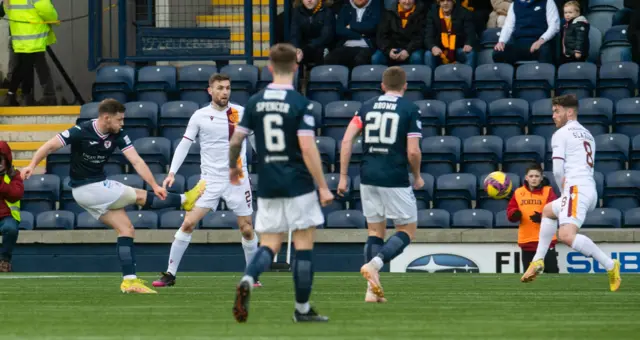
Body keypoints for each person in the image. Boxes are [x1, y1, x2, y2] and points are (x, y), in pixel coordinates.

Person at [20, 99, 206, 294]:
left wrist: (154, 184)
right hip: (87, 188)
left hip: (93, 191)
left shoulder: (118, 134)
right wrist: (32, 165)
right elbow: (49, 146)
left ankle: (129, 281)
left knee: (126, 229)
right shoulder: (81, 130)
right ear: (106, 118)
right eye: (119, 120)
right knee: (140, 196)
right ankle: (185, 200)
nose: (122, 124)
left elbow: (136, 160)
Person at [230, 43, 334, 323]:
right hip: (298, 182)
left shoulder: (254, 102)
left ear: (270, 68)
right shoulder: (301, 104)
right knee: (303, 243)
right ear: (296, 68)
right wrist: (323, 186)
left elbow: (237, 139)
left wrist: (232, 168)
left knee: (270, 243)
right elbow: (308, 147)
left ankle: (249, 279)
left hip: (268, 183)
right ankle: (302, 310)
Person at [152, 74, 261, 288]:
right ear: (210, 90)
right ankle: (170, 274)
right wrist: (172, 172)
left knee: (247, 229)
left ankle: (252, 276)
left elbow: (257, 141)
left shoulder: (241, 113)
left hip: (237, 179)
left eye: (228, 88)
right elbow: (184, 144)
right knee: (188, 222)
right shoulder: (200, 116)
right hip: (209, 180)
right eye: (220, 88)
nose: (225, 92)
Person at [337, 66, 423, 302]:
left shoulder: (366, 107)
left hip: (367, 175)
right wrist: (416, 176)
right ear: (405, 86)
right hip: (394, 175)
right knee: (407, 230)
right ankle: (374, 265)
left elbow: (346, 140)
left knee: (375, 231)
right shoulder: (409, 109)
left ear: (383, 86)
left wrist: (343, 176)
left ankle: (371, 291)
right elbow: (413, 151)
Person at [520, 94, 621, 292]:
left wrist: (564, 192)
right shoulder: (588, 134)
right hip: (588, 188)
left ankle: (610, 265)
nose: (553, 116)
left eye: (557, 111)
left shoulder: (561, 134)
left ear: (569, 112)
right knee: (548, 211)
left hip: (575, 189)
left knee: (566, 235)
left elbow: (558, 170)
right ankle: (538, 260)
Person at [2, 0, 58, 106]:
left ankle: (23, 97)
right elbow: (49, 12)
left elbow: (4, 11)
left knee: (25, 67)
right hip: (34, 38)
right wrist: (54, 18)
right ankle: (13, 96)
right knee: (31, 67)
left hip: (20, 39)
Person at [507, 164, 559, 273]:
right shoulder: (518, 192)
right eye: (531, 176)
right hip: (527, 240)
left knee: (552, 274)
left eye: (536, 176)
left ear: (541, 178)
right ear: (526, 177)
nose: (534, 179)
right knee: (529, 276)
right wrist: (514, 214)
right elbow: (510, 211)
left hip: (546, 240)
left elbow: (555, 210)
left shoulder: (548, 191)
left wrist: (542, 217)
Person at [492, 0, 560, 65]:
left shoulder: (548, 2)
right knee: (498, 53)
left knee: (545, 51)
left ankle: (543, 76)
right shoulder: (514, 4)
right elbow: (508, 26)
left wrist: (541, 41)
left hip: (539, 42)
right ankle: (508, 76)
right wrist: (501, 41)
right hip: (518, 43)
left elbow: (554, 26)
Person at [424, 0, 477, 70]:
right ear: (439, 2)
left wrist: (468, 43)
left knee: (470, 54)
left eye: (448, 0)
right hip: (440, 51)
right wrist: (433, 47)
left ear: (453, 2)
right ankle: (432, 79)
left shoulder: (464, 12)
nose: (445, 3)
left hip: (458, 48)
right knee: (428, 54)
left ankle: (468, 78)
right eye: (442, 1)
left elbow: (471, 33)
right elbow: (428, 36)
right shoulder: (432, 14)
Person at [372, 0, 428, 65]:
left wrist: (408, 51)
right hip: (391, 48)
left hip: (412, 49)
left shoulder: (421, 13)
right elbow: (381, 36)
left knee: (416, 57)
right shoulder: (389, 12)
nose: (407, 2)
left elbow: (420, 37)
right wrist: (388, 51)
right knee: (376, 58)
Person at [0, 141, 23, 272]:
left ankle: (4, 261)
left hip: (6, 217)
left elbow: (16, 195)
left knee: (10, 228)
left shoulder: (14, 175)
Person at [290, 0, 335, 67]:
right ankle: (298, 76)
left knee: (321, 52)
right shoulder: (297, 11)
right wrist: (297, 48)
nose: (309, 0)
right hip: (304, 46)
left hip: (321, 45)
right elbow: (294, 33)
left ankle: (319, 76)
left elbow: (326, 36)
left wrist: (308, 48)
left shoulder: (327, 11)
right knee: (293, 53)